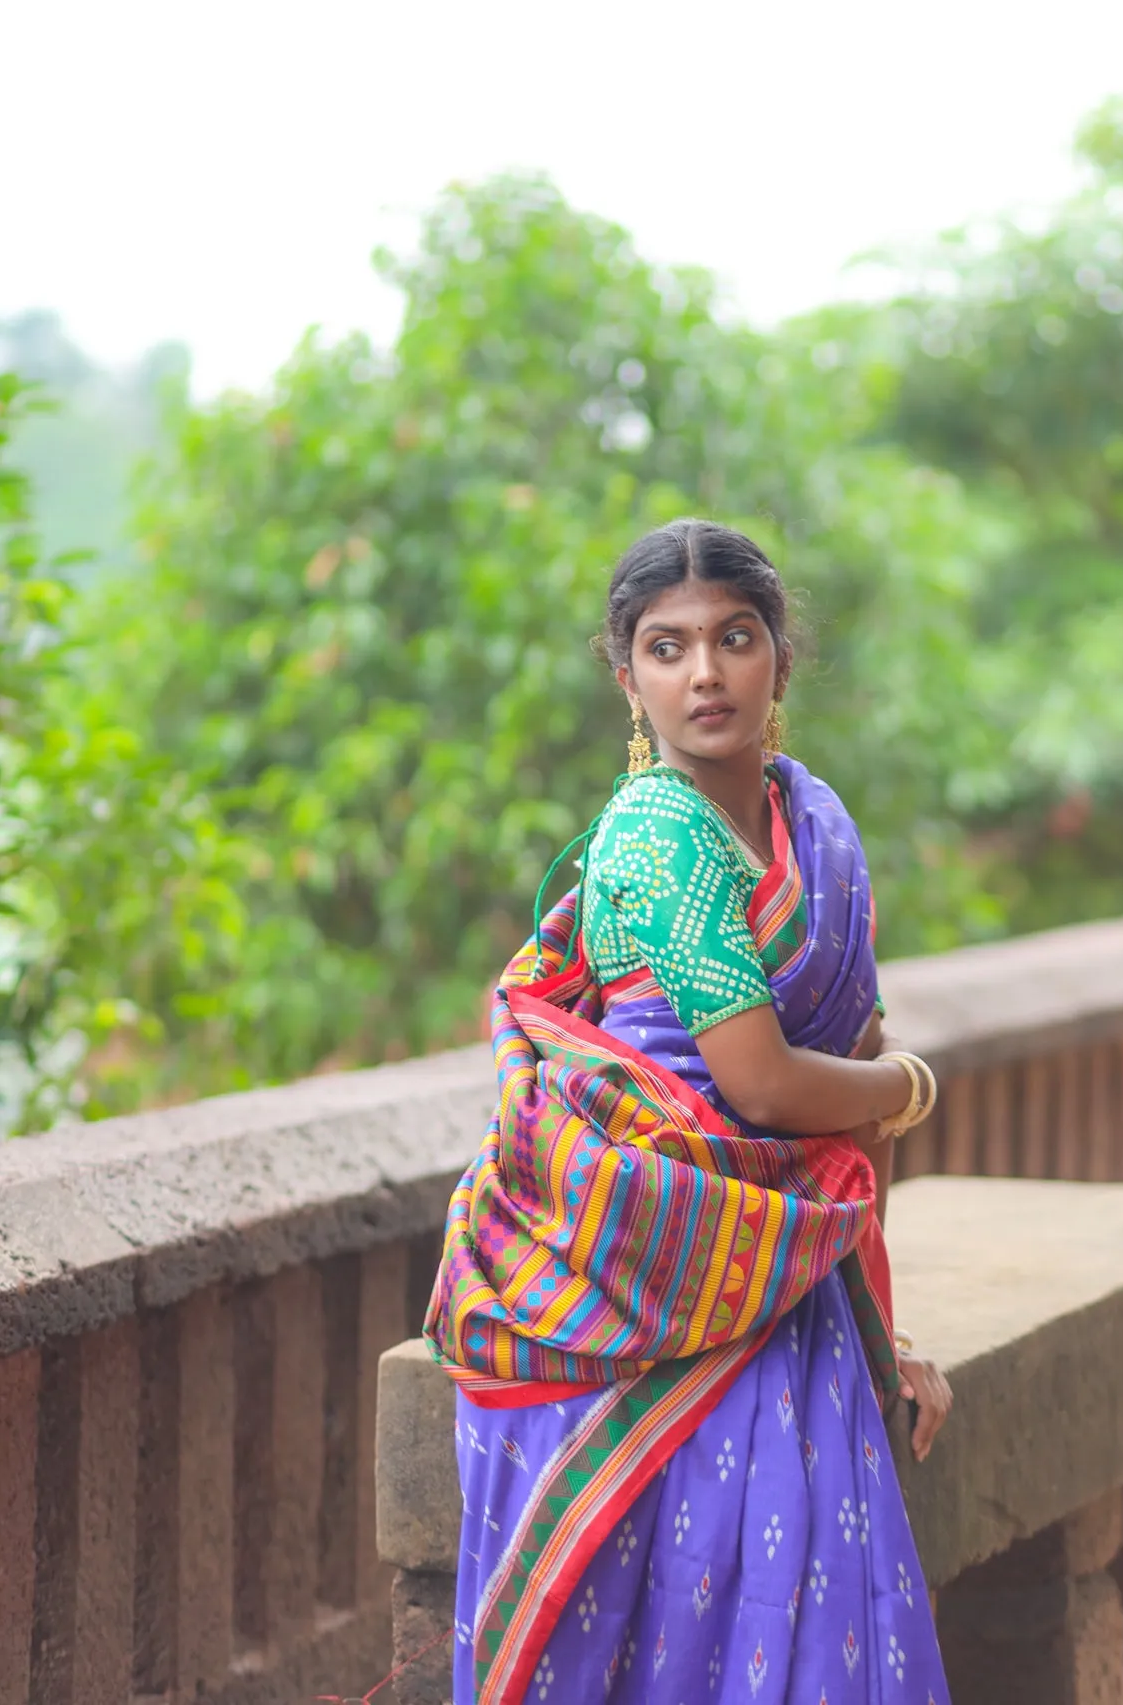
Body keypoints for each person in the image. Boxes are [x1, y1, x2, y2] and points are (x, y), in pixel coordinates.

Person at [426, 518, 953, 1704]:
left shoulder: (811, 827)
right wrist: (913, 1083)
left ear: (780, 655)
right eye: (667, 647)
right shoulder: (656, 836)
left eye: (734, 636)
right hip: (646, 1251)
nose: (704, 672)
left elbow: (841, 1143)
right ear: (628, 676)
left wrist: (882, 1334)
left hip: (776, 1259)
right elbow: (768, 1085)